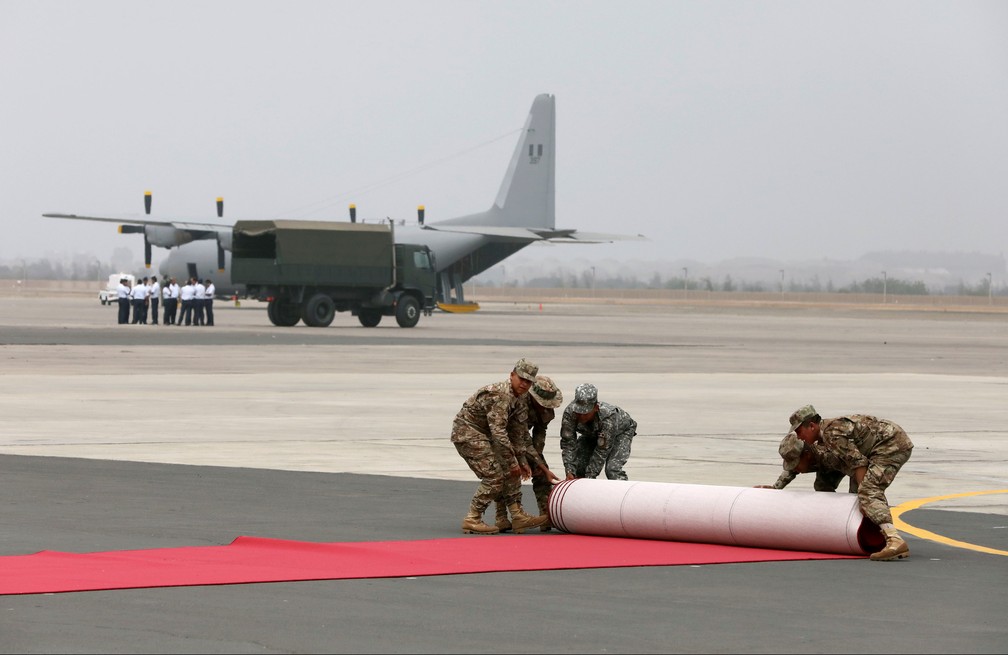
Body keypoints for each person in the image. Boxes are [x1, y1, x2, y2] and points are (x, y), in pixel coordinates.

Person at [764, 404, 914, 562]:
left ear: (812, 426)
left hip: (890, 444)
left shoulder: (832, 434)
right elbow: (796, 467)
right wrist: (776, 487)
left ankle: (894, 539)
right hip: (863, 453)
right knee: (823, 485)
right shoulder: (813, 444)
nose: (799, 437)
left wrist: (864, 496)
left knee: (868, 491)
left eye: (800, 431)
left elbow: (858, 463)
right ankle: (848, 531)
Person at [451, 358, 555, 535]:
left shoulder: (520, 398)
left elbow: (519, 435)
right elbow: (498, 432)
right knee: (495, 476)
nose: (524, 384)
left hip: (486, 435)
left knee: (510, 468)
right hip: (468, 432)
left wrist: (522, 461)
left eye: (528, 381)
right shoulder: (501, 395)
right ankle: (473, 518)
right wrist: (514, 463)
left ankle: (517, 514)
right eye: (521, 379)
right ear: (512, 375)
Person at [494, 375, 563, 533]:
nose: (545, 408)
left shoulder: (546, 411)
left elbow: (538, 436)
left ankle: (546, 515)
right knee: (506, 473)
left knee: (541, 473)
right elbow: (516, 436)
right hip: (503, 439)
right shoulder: (518, 402)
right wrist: (523, 461)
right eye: (541, 404)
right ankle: (502, 516)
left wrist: (538, 463)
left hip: (523, 441)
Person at [559, 383, 637, 481]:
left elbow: (602, 451)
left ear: (596, 408)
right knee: (579, 466)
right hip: (591, 434)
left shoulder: (608, 417)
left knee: (612, 469)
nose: (581, 416)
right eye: (579, 412)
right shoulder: (570, 413)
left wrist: (590, 477)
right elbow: (568, 443)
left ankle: (623, 489)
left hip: (621, 432)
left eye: (585, 413)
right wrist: (569, 471)